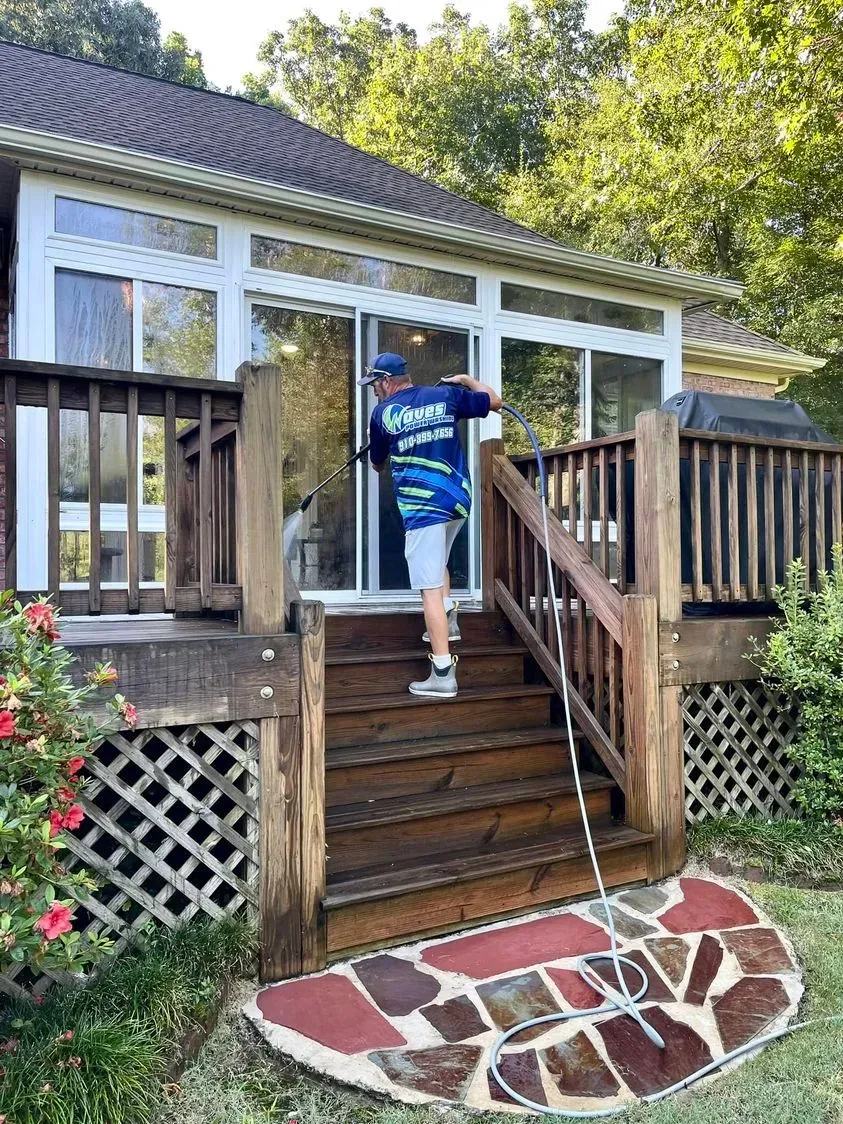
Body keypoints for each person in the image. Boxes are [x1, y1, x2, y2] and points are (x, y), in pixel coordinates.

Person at [361, 352, 502, 697]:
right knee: (437, 566)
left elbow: (377, 464)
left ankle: (442, 674)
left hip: (422, 508)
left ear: (385, 381)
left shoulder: (382, 414)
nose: (374, 393)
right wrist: (467, 380)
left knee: (428, 591)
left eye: (374, 386)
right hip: (456, 501)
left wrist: (382, 441)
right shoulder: (445, 395)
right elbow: (495, 401)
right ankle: (449, 617)